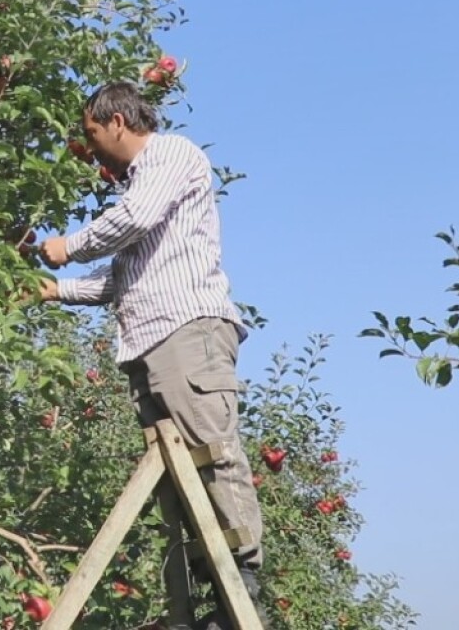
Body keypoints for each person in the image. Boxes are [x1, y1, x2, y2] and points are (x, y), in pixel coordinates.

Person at [36, 81, 271, 630]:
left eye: (92, 134)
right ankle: (205, 598)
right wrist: (56, 289)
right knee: (179, 475)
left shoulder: (171, 155)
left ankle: (243, 589)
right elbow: (122, 280)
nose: (91, 148)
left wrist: (68, 245)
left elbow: (134, 219)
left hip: (187, 333)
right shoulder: (140, 187)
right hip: (150, 344)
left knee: (212, 452)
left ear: (117, 121)